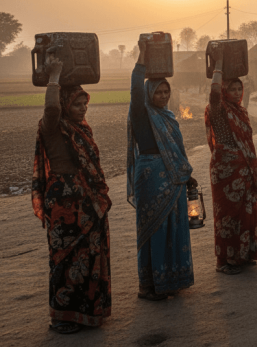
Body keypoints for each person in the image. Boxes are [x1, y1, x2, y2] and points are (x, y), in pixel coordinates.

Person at [32, 56, 111, 334]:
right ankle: (63, 316)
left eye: (84, 104)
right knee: (64, 258)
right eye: (77, 104)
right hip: (64, 201)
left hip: (87, 201)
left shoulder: (81, 129)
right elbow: (51, 107)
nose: (82, 109)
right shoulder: (52, 126)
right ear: (65, 104)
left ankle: (88, 310)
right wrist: (54, 75)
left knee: (89, 255)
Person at [128, 40, 195, 301]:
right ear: (148, 94)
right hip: (150, 178)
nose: (163, 97)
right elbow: (135, 89)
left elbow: (177, 151)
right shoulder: (141, 114)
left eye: (166, 92)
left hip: (174, 179)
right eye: (158, 92)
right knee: (153, 230)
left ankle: (172, 280)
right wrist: (141, 58)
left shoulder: (168, 117)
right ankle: (150, 286)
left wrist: (187, 175)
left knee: (174, 228)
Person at [205, 45, 257, 274]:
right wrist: (218, 64)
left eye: (240, 88)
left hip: (244, 170)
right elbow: (214, 94)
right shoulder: (218, 111)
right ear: (225, 92)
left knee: (246, 213)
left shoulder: (242, 112)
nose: (237, 93)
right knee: (228, 216)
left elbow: (248, 143)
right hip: (226, 172)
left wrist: (254, 170)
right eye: (233, 89)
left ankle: (245, 255)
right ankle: (228, 261)